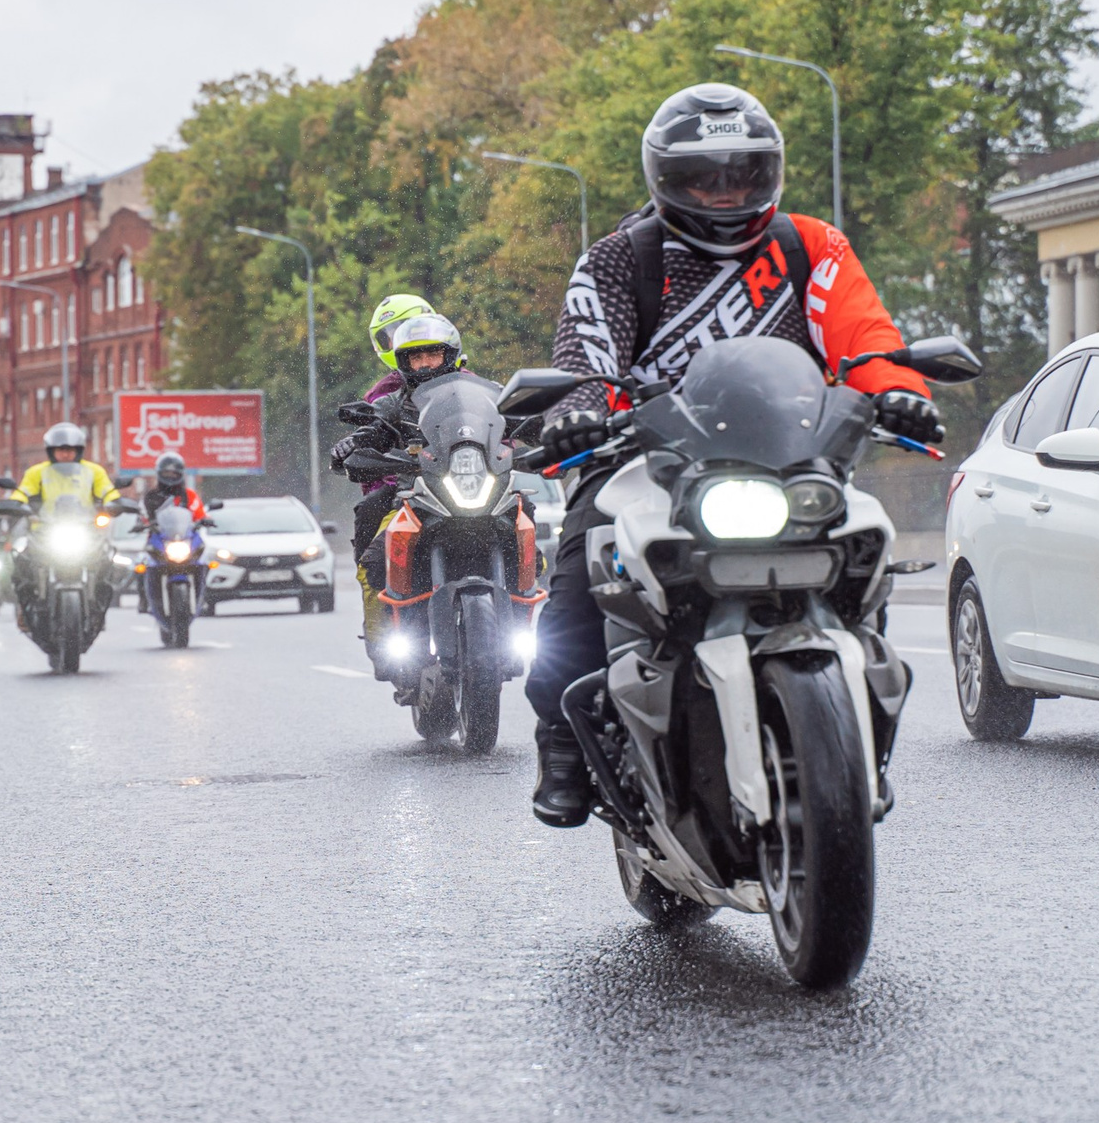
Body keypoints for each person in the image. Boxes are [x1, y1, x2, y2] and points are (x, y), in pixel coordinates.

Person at [523, 82, 942, 826]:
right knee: (578, 576)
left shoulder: (809, 244)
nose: (724, 191)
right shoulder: (621, 259)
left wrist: (900, 391)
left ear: (770, 171)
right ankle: (560, 738)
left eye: (742, 172)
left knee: (863, 555)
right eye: (702, 175)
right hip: (649, 457)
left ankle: (856, 723)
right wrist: (575, 418)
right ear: (663, 178)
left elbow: (865, 334)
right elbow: (584, 356)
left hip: (792, 454)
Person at [328, 303, 478, 676]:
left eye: (434, 353)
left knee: (526, 524)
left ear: (451, 355)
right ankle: (385, 644)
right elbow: (374, 426)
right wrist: (355, 444)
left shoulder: (478, 390)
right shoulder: (393, 400)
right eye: (416, 357)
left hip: (472, 488)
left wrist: (541, 426)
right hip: (414, 494)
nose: (426, 363)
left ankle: (520, 607)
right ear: (403, 362)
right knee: (377, 557)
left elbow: (506, 418)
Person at [7, 422, 124, 621]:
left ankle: (98, 604)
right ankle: (24, 609)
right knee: (21, 563)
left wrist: (114, 502)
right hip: (45, 531)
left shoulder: (93, 471)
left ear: (79, 450)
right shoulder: (37, 472)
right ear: (51, 451)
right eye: (60, 450)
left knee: (107, 561)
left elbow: (107, 491)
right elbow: (22, 492)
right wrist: (15, 504)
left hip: (84, 530)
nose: (65, 454)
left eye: (70, 450)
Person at [135, 453, 208, 611]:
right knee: (142, 563)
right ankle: (144, 599)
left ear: (181, 474)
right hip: (160, 540)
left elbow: (199, 514)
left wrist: (204, 520)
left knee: (203, 561)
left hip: (185, 540)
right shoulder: (151, 496)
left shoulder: (190, 496)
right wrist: (142, 523)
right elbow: (142, 515)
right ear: (159, 474)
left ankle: (204, 596)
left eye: (174, 473)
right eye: (166, 473)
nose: (170, 477)